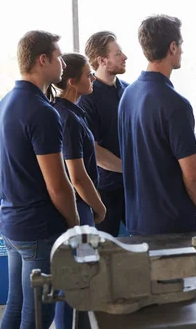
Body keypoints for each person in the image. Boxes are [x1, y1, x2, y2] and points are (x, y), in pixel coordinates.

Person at [0, 31, 79, 329]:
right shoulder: (42, 111)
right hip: (38, 229)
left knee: (17, 306)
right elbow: (58, 185)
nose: (62, 65)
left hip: (13, 223)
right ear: (42, 60)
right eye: (58, 57)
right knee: (38, 315)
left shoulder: (5, 103)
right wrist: (75, 226)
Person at [118, 15, 196, 236]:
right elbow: (193, 175)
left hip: (138, 222)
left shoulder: (128, 95)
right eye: (181, 44)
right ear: (173, 47)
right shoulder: (174, 104)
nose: (182, 51)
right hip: (173, 227)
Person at [50, 53, 106, 329]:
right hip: (81, 208)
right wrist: (99, 207)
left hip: (81, 207)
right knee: (79, 279)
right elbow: (78, 177)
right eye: (88, 74)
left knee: (81, 277)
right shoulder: (67, 118)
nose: (93, 78)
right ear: (72, 82)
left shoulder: (71, 112)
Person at [77, 31, 128, 237]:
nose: (124, 57)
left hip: (132, 186)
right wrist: (129, 168)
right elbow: (94, 151)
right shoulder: (88, 97)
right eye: (118, 54)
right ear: (102, 60)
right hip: (105, 189)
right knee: (103, 251)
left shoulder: (128, 90)